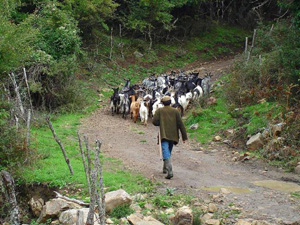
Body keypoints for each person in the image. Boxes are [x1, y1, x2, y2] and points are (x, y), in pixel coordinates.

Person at [152, 96, 188, 179]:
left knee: (165, 151)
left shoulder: (159, 111)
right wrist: (184, 137)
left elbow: (154, 122)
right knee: (168, 151)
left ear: (163, 103)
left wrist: (160, 122)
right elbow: (180, 124)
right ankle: (165, 168)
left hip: (164, 134)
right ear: (170, 102)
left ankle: (170, 171)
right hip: (173, 135)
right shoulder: (175, 111)